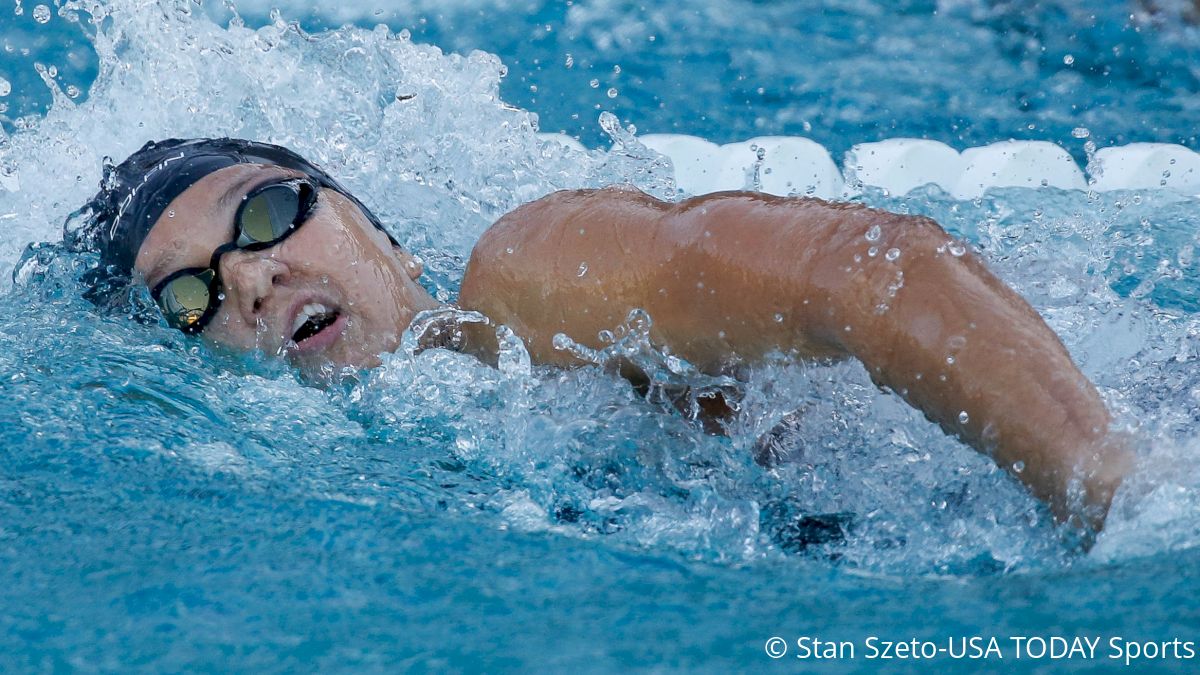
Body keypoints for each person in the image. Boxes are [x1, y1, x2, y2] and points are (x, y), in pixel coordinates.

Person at [70, 137, 1132, 532]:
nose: (250, 276)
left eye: (267, 214)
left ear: (386, 239)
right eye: (189, 299)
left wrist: (1109, 483)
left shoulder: (524, 279)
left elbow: (859, 267)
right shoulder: (348, 487)